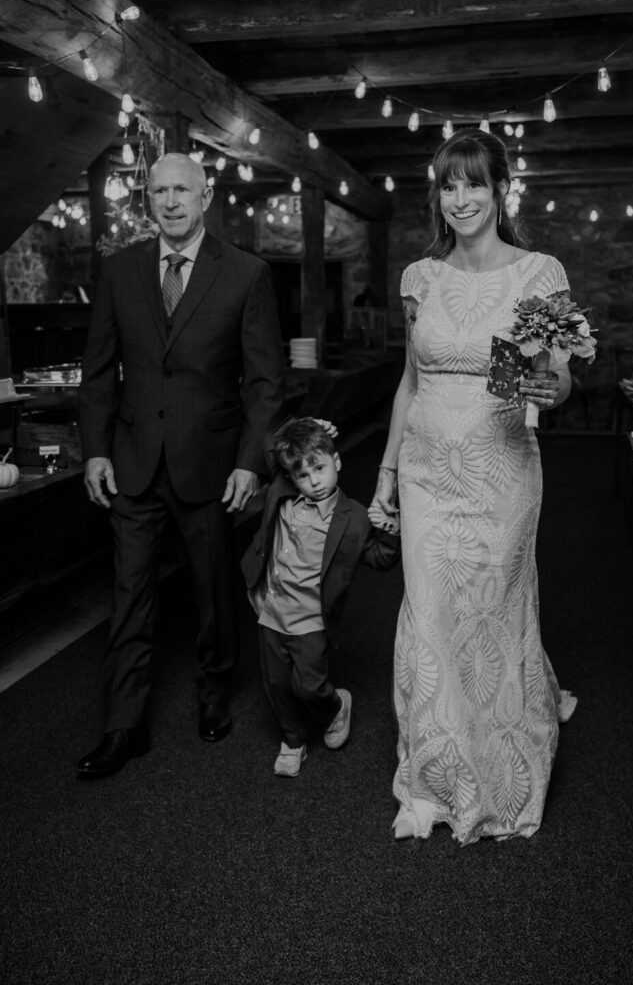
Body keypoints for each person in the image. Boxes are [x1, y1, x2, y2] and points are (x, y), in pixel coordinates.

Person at [371, 128, 577, 842]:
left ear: (499, 190)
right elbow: (407, 382)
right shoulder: (418, 279)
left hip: (502, 469)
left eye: (472, 184)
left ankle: (499, 771)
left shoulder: (538, 274)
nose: (459, 199)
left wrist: (552, 387)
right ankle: (433, 778)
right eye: (447, 185)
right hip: (428, 468)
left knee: (488, 613)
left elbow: (558, 374)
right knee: (427, 615)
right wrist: (387, 473)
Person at [77, 152, 284, 779]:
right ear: (149, 198)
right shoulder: (120, 271)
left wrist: (251, 463)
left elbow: (265, 383)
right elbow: (97, 373)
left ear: (206, 195)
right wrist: (94, 449)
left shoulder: (246, 274)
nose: (170, 201)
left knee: (212, 589)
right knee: (130, 593)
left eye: (182, 191)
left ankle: (215, 690)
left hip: (212, 464)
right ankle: (123, 726)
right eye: (159, 190)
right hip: (133, 463)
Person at [240, 418, 401, 777]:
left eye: (320, 468)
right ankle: (293, 739)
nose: (313, 480)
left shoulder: (354, 517)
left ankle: (336, 706)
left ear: (337, 462)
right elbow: (271, 446)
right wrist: (303, 425)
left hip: (312, 619)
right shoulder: (283, 492)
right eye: (303, 474)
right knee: (278, 684)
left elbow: (380, 558)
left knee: (309, 686)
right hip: (271, 611)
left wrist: (391, 527)